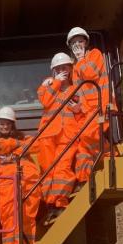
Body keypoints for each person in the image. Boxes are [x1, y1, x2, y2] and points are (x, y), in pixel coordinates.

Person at [0, 107, 41, 244]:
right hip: (8, 184)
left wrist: (15, 151)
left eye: (7, 124)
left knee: (27, 217)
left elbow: (36, 145)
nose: (4, 126)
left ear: (12, 125)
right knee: (9, 220)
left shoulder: (23, 137)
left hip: (28, 179)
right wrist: (19, 146)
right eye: (1, 124)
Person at [37, 52, 83, 223]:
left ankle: (60, 204)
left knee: (62, 169)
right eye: (59, 69)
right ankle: (51, 204)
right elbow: (45, 101)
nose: (62, 71)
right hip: (48, 135)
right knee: (48, 171)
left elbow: (83, 113)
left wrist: (79, 109)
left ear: (70, 70)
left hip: (68, 135)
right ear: (53, 71)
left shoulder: (77, 89)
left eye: (65, 68)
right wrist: (55, 83)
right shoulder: (47, 87)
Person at [66, 27, 115, 186]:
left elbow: (90, 75)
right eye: (73, 43)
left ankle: (86, 179)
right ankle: (85, 178)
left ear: (86, 42)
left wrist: (81, 59)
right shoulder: (74, 67)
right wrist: (76, 107)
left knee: (87, 138)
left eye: (79, 41)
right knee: (83, 144)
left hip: (102, 107)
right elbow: (78, 90)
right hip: (87, 111)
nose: (77, 45)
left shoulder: (94, 54)